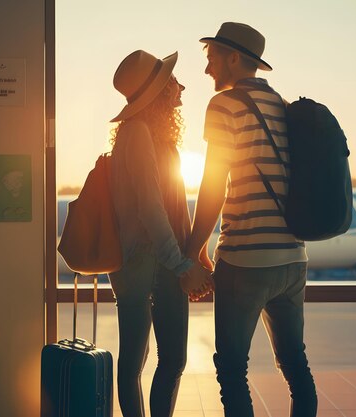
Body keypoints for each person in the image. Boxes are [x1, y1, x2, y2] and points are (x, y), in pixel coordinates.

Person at [184, 22, 318, 417]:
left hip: (245, 259)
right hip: (293, 258)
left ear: (234, 58)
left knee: (231, 370)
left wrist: (195, 251)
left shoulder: (223, 105)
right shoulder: (280, 104)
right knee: (296, 366)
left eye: (211, 59)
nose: (208, 69)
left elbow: (213, 186)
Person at [107, 49, 212, 417]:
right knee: (136, 362)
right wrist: (182, 265)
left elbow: (172, 208)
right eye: (173, 81)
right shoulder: (137, 134)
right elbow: (151, 209)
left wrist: (193, 256)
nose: (181, 86)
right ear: (160, 92)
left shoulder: (153, 136)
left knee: (170, 359)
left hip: (164, 260)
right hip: (145, 263)